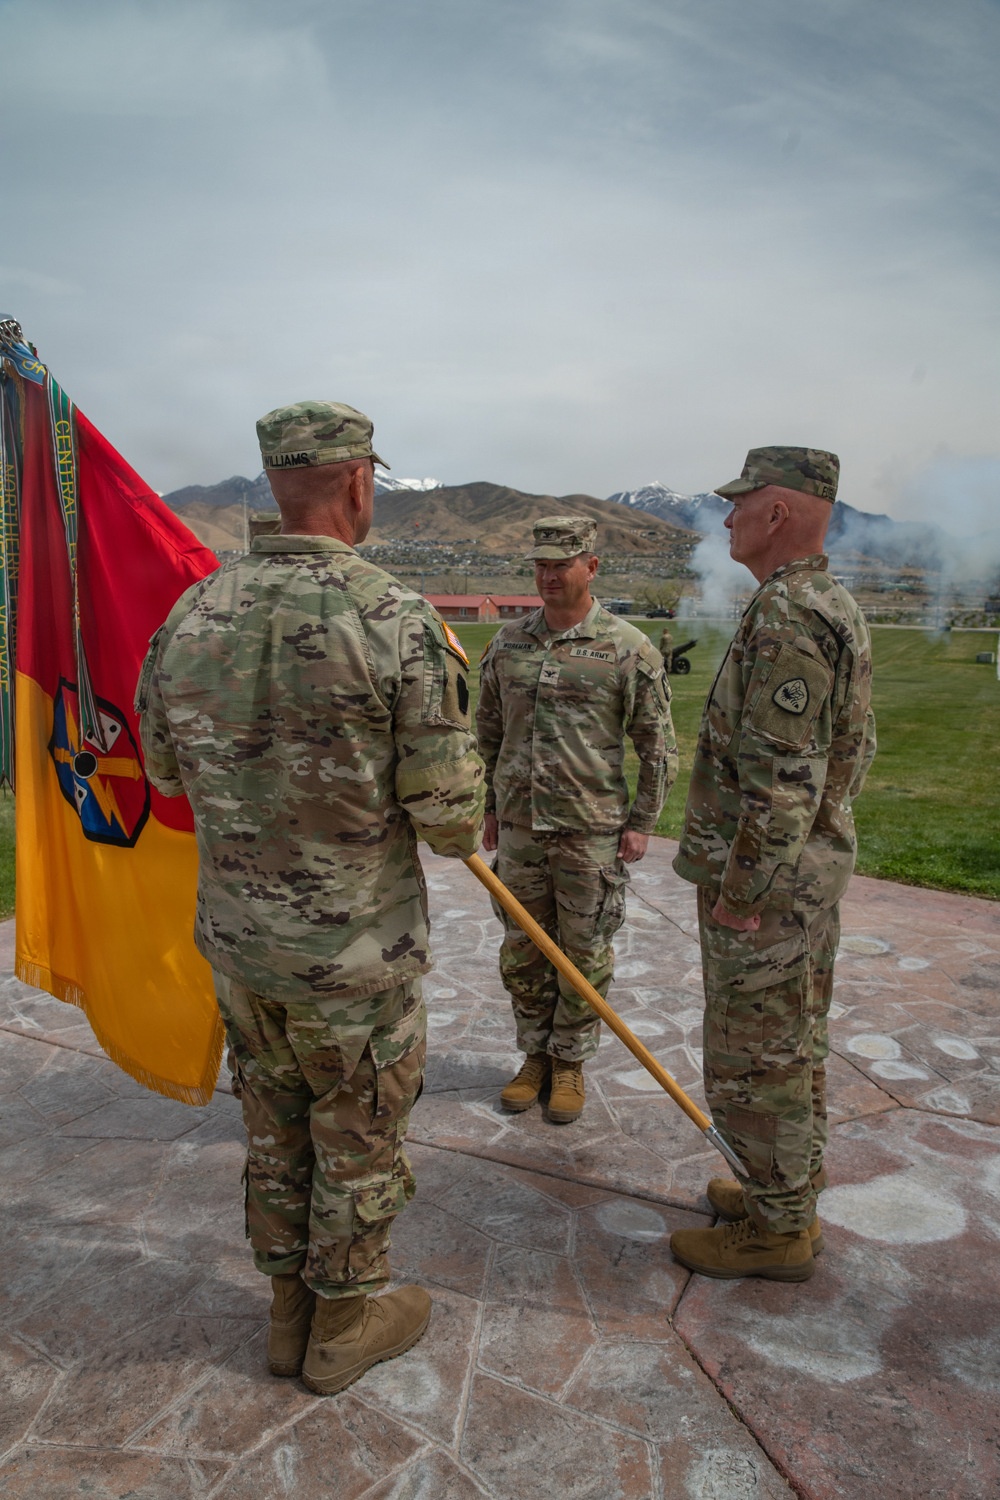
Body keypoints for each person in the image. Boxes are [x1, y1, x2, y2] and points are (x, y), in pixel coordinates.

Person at [136, 400, 484, 1394]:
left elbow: (162, 773)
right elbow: (452, 820)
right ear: (359, 483)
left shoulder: (192, 613)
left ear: (275, 482)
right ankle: (343, 1323)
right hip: (353, 959)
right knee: (357, 1133)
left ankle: (287, 1311)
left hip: (244, 950)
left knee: (274, 1126)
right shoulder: (395, 618)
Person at [668, 447, 876, 1283]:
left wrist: (742, 892)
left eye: (740, 503)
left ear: (778, 513)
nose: (727, 517)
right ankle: (782, 1197)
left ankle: (778, 1229)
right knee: (791, 1043)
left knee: (757, 1055)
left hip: (769, 891)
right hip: (803, 879)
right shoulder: (824, 601)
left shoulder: (791, 612)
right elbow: (849, 755)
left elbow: (783, 781)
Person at [476, 516, 677, 1123]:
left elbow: (658, 745)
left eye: (561, 564)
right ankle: (534, 1056)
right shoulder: (508, 643)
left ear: (591, 566)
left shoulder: (626, 647)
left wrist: (642, 821)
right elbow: (486, 731)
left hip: (590, 830)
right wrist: (488, 807)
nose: (548, 576)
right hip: (520, 829)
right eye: (540, 565)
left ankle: (569, 1063)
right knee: (523, 951)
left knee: (584, 952)